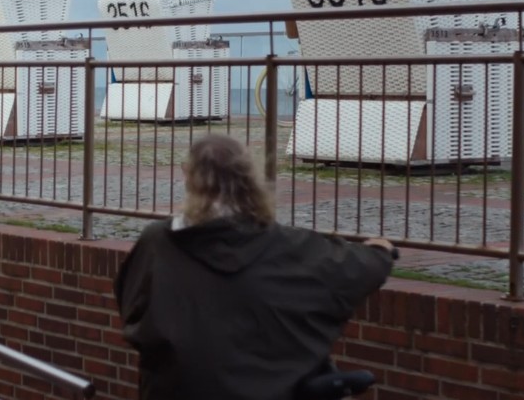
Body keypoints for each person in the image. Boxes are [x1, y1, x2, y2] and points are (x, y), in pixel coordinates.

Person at [114, 134, 395, 400]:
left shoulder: (156, 243)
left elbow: (130, 302)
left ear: (187, 175)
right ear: (251, 177)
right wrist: (380, 251)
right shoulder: (289, 246)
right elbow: (353, 270)